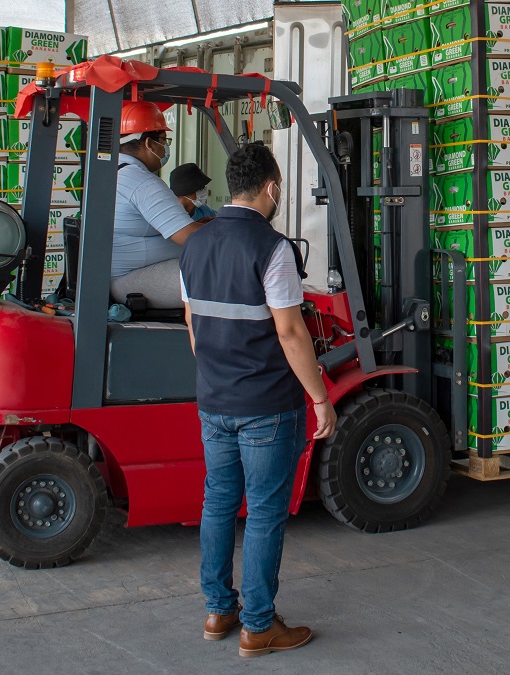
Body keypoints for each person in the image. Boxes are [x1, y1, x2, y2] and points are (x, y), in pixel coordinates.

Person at [179, 142, 336, 658]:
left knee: (218, 502)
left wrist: (217, 376)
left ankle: (219, 609)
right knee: (265, 513)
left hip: (213, 400)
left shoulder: (195, 246)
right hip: (266, 405)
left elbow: (193, 324)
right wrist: (320, 399)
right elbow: (292, 333)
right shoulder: (274, 249)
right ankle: (259, 626)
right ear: (271, 187)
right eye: (280, 187)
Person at [110, 102, 202, 309]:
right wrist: (234, 231)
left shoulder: (115, 172)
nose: (165, 146)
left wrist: (203, 226)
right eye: (163, 140)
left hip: (127, 274)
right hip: (132, 278)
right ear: (149, 143)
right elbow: (188, 236)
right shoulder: (139, 180)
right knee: (228, 271)